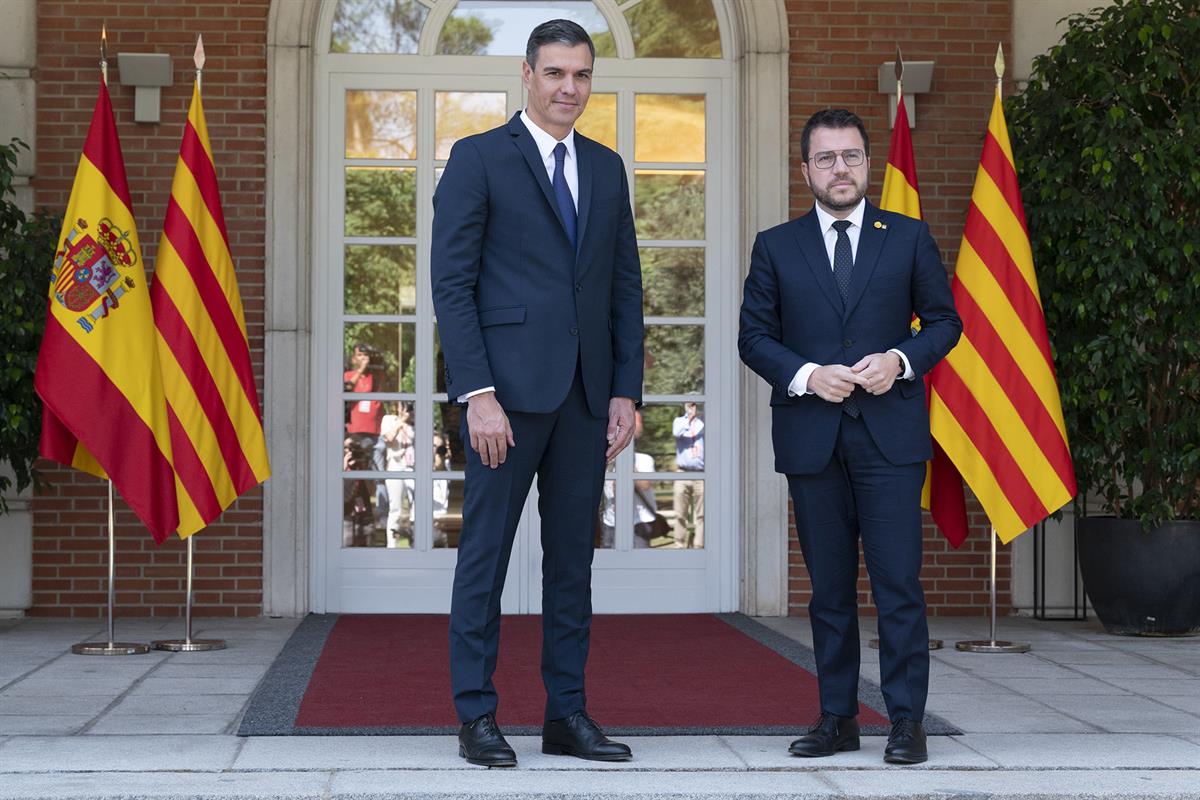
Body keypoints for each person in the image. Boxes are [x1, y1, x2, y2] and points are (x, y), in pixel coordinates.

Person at [431, 19, 643, 768]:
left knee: (571, 567)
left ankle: (567, 715)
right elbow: (452, 285)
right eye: (555, 73)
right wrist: (476, 392)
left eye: (581, 75)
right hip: (506, 400)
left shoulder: (609, 168)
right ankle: (476, 717)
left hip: (586, 399)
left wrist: (625, 389)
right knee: (483, 558)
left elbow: (624, 288)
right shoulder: (480, 158)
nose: (569, 88)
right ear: (527, 75)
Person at [738, 108, 961, 765]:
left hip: (890, 439)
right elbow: (753, 337)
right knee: (830, 593)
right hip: (813, 441)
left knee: (898, 588)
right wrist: (808, 375)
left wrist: (900, 360)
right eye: (828, 158)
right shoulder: (777, 245)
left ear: (870, 164)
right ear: (805, 169)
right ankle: (836, 720)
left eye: (853, 156)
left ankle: (905, 724)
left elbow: (945, 323)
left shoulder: (909, 237)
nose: (842, 168)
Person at [600, 411, 659, 549]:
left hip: (638, 523)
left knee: (641, 566)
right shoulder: (606, 460)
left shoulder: (644, 459)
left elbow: (644, 484)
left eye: (636, 422)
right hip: (610, 522)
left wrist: (626, 460)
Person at [380, 403, 416, 548]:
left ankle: (416, 541)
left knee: (416, 506)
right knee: (396, 508)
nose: (407, 410)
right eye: (405, 406)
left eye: (410, 407)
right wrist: (401, 421)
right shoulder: (389, 419)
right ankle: (392, 545)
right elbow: (389, 439)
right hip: (395, 466)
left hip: (413, 467)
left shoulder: (416, 422)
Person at [671, 402, 704, 548]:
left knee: (702, 514)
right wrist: (689, 418)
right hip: (682, 473)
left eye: (695, 405)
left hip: (702, 474)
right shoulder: (679, 422)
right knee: (680, 513)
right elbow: (676, 433)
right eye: (690, 404)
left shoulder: (704, 423)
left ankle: (699, 546)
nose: (692, 407)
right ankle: (679, 545)